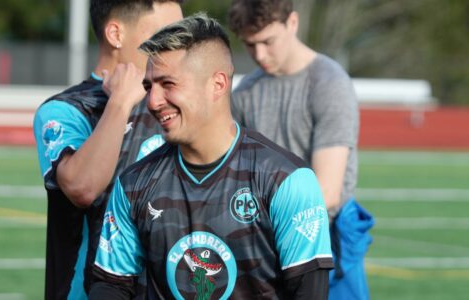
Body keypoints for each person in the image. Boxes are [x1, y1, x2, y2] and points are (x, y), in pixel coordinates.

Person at [89, 14, 333, 299]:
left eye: (168, 84)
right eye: (148, 86)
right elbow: (111, 287)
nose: (153, 101)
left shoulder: (287, 180)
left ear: (218, 84)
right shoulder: (133, 184)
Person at [32, 0, 183, 298]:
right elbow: (82, 187)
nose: (177, 47)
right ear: (115, 34)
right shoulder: (67, 109)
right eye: (166, 34)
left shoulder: (177, 102)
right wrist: (120, 103)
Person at [228, 0, 375, 299]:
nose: (259, 54)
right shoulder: (244, 94)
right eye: (249, 45)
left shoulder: (329, 83)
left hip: (326, 236)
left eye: (267, 42)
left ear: (292, 23)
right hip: (264, 240)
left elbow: (328, 192)